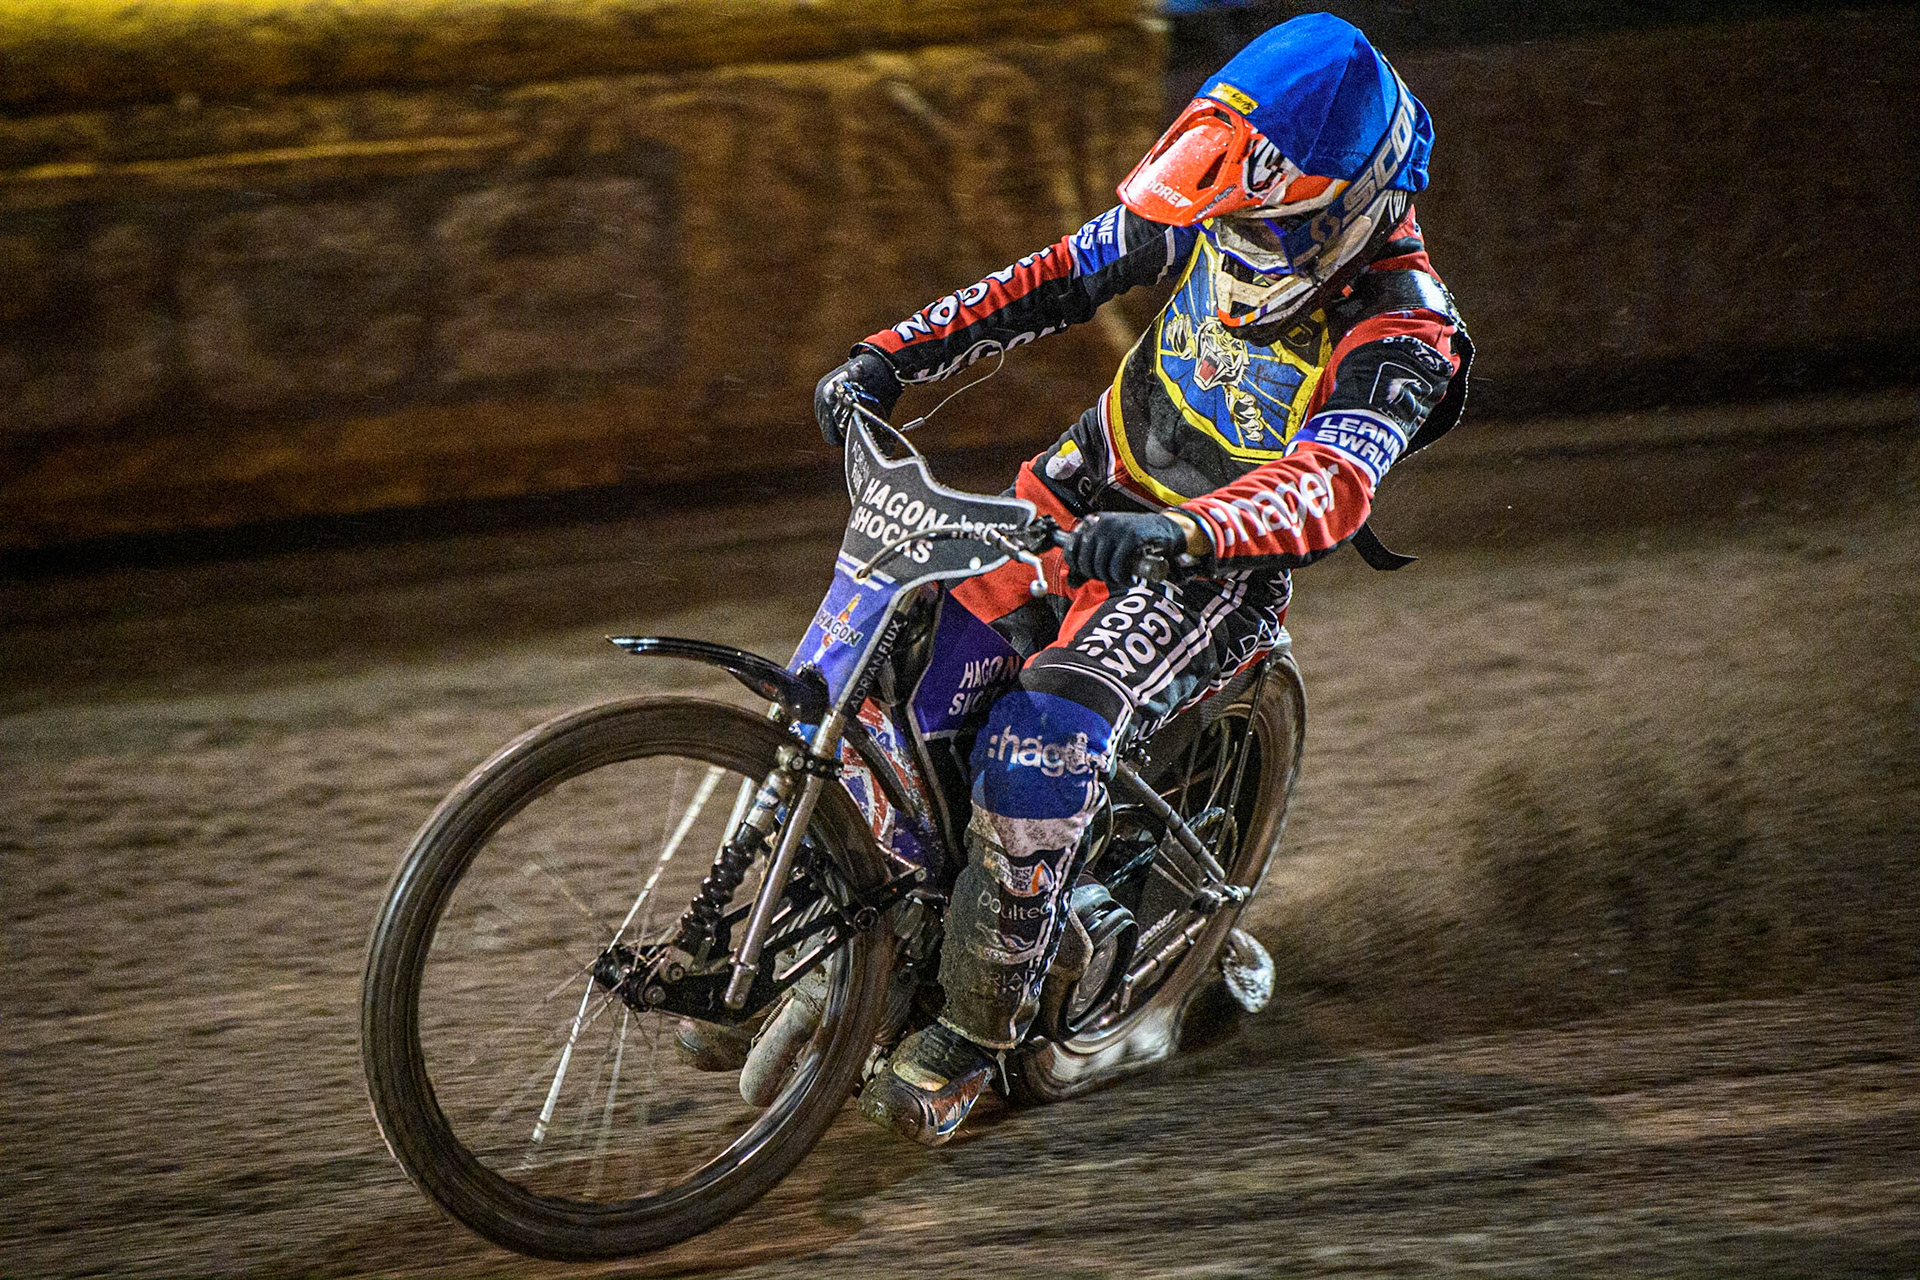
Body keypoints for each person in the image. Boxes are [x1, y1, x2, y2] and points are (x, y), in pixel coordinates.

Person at [817, 13, 1472, 1146]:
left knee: (1040, 734)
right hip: (1084, 487)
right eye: (1229, 220)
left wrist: (1183, 533)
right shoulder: (1208, 195)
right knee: (900, 653)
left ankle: (975, 1035)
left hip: (1211, 569)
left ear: (1349, 207)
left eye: (1267, 227)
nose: (1236, 244)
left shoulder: (1405, 332)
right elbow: (1060, 274)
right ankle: (858, 910)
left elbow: (1331, 488)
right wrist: (893, 352)